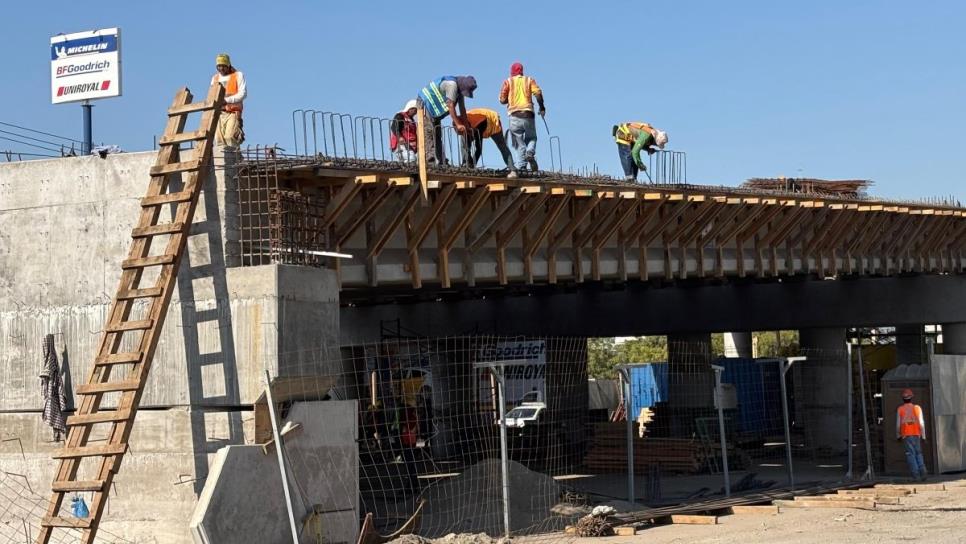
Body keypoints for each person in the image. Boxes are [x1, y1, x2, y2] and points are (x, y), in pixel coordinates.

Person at [416, 75, 477, 165]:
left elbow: (462, 109)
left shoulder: (459, 90)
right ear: (462, 86)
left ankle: (441, 162)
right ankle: (430, 161)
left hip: (434, 111)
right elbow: (450, 105)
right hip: (425, 103)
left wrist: (467, 126)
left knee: (437, 134)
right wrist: (458, 124)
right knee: (429, 132)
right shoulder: (452, 85)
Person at [499, 62, 545, 178]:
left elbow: (502, 99)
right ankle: (530, 152)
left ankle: (522, 167)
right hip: (528, 114)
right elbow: (538, 93)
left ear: (512, 72)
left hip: (514, 115)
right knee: (532, 138)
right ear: (522, 71)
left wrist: (509, 99)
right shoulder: (529, 80)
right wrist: (542, 107)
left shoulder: (508, 82)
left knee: (518, 143)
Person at [210, 53, 246, 148]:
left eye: (223, 66)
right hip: (219, 113)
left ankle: (234, 160)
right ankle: (222, 161)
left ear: (228, 65)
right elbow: (212, 96)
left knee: (230, 137)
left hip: (233, 112)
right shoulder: (215, 78)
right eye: (219, 66)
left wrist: (227, 100)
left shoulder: (238, 75)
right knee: (219, 140)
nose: (221, 69)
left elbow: (243, 93)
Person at [896, 388, 928, 481]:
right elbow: (922, 423)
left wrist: (898, 435)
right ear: (912, 398)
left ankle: (916, 475)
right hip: (917, 434)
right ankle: (923, 472)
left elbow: (898, 425)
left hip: (906, 435)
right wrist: (924, 436)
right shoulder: (917, 408)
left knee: (910, 455)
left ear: (903, 399)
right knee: (918, 453)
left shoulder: (900, 409)